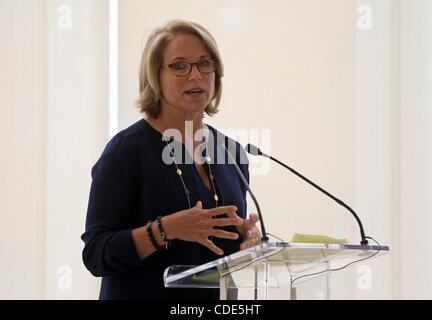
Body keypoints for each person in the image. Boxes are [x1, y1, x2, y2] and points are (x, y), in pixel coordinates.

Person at [81, 19, 261, 300]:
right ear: (155, 76)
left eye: (205, 64)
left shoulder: (232, 153)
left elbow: (216, 252)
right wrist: (165, 230)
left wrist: (247, 242)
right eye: (179, 66)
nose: (195, 76)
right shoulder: (126, 152)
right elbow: (96, 254)